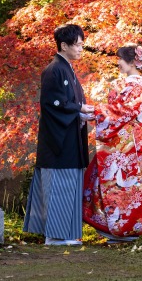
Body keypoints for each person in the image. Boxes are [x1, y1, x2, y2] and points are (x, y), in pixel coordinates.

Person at [23, 23, 94, 246]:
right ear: (64, 45)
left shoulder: (67, 69)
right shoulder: (54, 69)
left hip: (69, 137)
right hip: (58, 141)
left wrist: (81, 113)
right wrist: (80, 110)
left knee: (69, 183)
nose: (82, 49)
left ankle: (65, 234)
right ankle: (55, 236)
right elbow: (52, 104)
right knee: (58, 184)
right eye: (79, 45)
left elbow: (70, 103)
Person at [82, 44, 142, 243]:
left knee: (119, 186)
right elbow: (118, 111)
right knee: (122, 186)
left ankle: (123, 228)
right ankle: (124, 227)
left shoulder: (134, 88)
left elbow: (119, 112)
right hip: (128, 144)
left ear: (132, 62)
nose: (117, 63)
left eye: (120, 59)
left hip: (122, 145)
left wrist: (93, 112)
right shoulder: (139, 88)